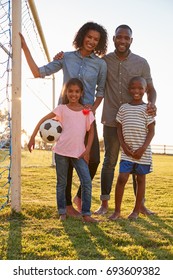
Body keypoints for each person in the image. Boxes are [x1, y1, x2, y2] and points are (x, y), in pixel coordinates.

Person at [19, 22, 108, 217]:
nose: (92, 41)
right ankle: (67, 206)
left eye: (96, 39)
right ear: (82, 36)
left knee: (93, 159)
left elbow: (100, 92)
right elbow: (38, 72)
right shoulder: (66, 58)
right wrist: (24, 47)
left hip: (85, 116)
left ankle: (79, 196)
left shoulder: (100, 64)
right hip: (65, 117)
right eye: (89, 37)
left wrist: (91, 110)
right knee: (66, 161)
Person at [94, 24, 157, 215]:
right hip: (112, 119)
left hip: (136, 121)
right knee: (110, 161)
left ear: (131, 40)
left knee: (138, 165)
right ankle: (104, 204)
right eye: (119, 37)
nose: (122, 41)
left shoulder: (141, 63)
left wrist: (152, 103)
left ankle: (140, 206)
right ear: (113, 39)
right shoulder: (104, 62)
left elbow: (151, 90)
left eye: (126, 38)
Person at [28, 78, 98, 222]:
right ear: (66, 92)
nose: (73, 94)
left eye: (77, 91)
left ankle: (86, 214)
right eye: (70, 91)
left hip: (79, 154)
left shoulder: (86, 111)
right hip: (61, 152)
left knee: (86, 182)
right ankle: (62, 212)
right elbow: (42, 120)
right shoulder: (61, 109)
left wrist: (87, 150)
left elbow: (91, 132)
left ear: (81, 93)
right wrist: (33, 137)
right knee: (62, 183)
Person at [109, 76, 155, 220]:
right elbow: (118, 128)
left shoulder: (147, 109)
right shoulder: (123, 108)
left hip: (143, 153)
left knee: (140, 180)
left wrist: (142, 149)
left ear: (145, 90)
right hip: (127, 152)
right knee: (122, 178)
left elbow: (152, 131)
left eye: (140, 88)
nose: (137, 91)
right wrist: (123, 146)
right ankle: (117, 211)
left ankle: (136, 210)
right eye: (133, 88)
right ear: (129, 90)